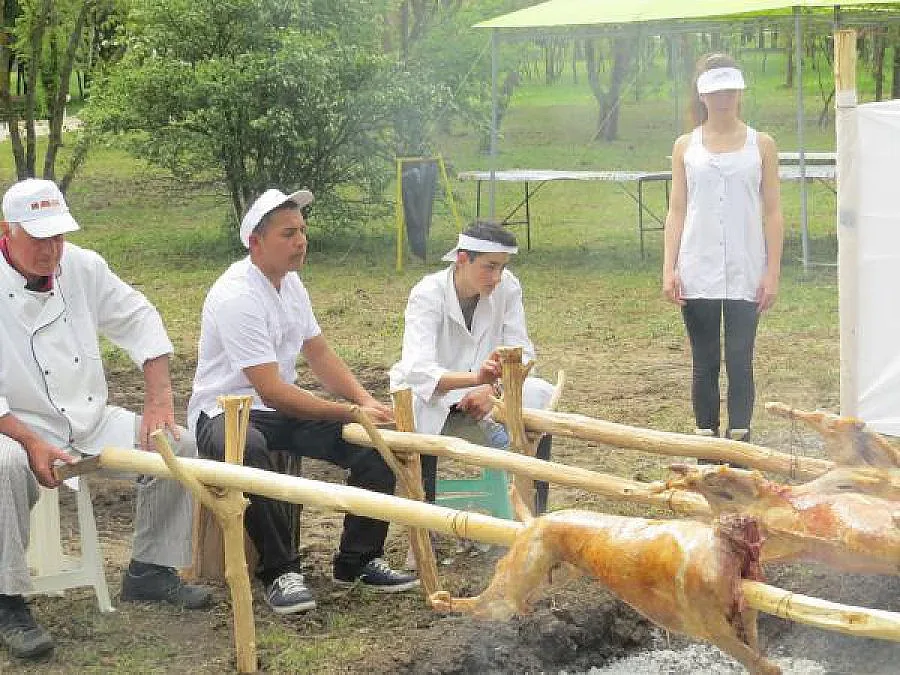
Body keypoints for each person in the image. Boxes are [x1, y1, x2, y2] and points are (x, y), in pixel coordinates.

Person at [0, 179, 212, 660]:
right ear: (7, 231)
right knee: (4, 467)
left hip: (87, 421)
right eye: (38, 238)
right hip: (14, 425)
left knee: (176, 446)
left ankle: (150, 570)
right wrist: (32, 443)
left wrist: (160, 399)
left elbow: (138, 317)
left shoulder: (83, 266)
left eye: (58, 237)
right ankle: (7, 601)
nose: (51, 250)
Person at [188, 188, 418, 616]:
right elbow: (271, 388)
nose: (301, 242)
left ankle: (357, 560)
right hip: (225, 411)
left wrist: (366, 402)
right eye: (288, 233)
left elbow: (320, 354)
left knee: (375, 445)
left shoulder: (291, 284)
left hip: (279, 410)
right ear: (256, 243)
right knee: (249, 449)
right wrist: (349, 412)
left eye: (303, 231)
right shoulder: (236, 294)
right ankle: (279, 571)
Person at [389, 221, 554, 520]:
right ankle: (424, 523)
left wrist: (492, 390)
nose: (497, 277)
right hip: (436, 396)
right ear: (462, 259)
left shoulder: (508, 287)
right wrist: (475, 380)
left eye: (502, 267)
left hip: (487, 395)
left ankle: (535, 520)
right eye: (489, 267)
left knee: (538, 401)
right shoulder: (427, 293)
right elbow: (419, 369)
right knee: (420, 407)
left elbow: (522, 352)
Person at [662, 53, 784, 443]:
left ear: (740, 92)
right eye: (715, 92)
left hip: (746, 268)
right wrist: (669, 268)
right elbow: (677, 210)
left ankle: (740, 439)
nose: (723, 99)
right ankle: (706, 440)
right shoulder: (686, 146)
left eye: (730, 91)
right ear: (702, 95)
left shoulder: (761, 144)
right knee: (705, 361)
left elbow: (773, 212)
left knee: (740, 359)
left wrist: (772, 271)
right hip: (698, 266)